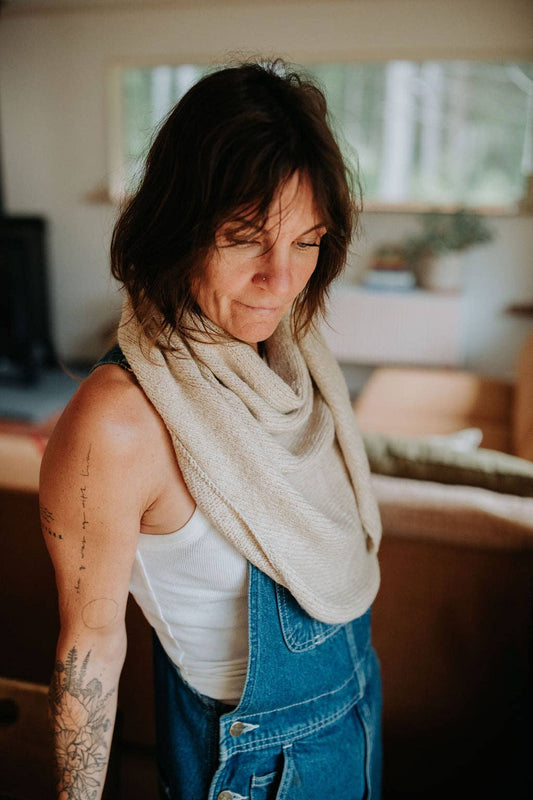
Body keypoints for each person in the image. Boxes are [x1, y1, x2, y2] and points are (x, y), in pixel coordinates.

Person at [40, 59, 383, 800]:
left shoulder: (289, 358)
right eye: (245, 238)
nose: (281, 281)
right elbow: (90, 643)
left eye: (306, 241)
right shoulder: (118, 423)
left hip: (352, 718)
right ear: (178, 226)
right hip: (261, 770)